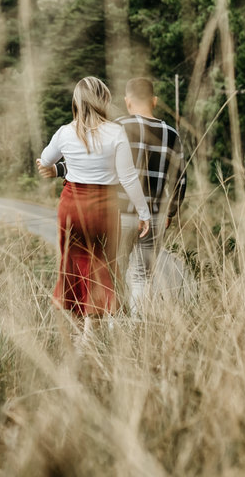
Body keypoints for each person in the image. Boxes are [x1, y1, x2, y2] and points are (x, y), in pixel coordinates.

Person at [41, 77, 187, 314]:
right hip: (153, 216)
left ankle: (110, 329)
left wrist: (57, 169)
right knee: (141, 276)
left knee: (110, 272)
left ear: (127, 102)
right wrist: (169, 212)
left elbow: (90, 165)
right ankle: (136, 327)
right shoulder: (171, 134)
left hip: (118, 213)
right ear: (155, 101)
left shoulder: (115, 126)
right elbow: (180, 179)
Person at [36, 76, 150, 329]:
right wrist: (144, 212)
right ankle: (90, 331)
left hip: (71, 206)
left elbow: (44, 160)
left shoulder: (65, 132)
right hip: (104, 208)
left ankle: (79, 330)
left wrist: (51, 167)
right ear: (105, 100)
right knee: (101, 262)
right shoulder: (116, 132)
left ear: (76, 102)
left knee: (74, 262)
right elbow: (129, 178)